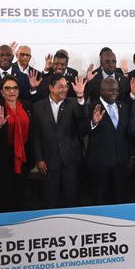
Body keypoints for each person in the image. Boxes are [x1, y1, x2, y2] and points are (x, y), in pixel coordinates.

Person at [31, 73, 88, 208]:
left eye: (66, 86)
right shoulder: (38, 107)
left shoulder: (74, 103)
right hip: (49, 161)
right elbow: (36, 136)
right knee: (51, 200)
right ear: (51, 88)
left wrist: (80, 96)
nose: (64, 89)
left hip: (71, 160)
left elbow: (82, 120)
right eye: (60, 86)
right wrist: (39, 159)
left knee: (71, 199)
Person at [0, 75, 33, 212]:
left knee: (22, 196)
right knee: (4, 198)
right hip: (3, 160)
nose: (11, 91)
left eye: (14, 88)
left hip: (23, 158)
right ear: (2, 92)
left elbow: (34, 131)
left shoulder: (27, 105)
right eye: (7, 88)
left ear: (18, 90)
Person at [86, 77, 130, 205]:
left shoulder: (123, 106)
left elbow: (126, 134)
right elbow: (81, 130)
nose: (115, 93)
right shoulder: (91, 107)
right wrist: (93, 122)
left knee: (119, 199)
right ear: (101, 91)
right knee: (100, 200)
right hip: (99, 164)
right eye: (111, 90)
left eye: (116, 90)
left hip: (120, 163)